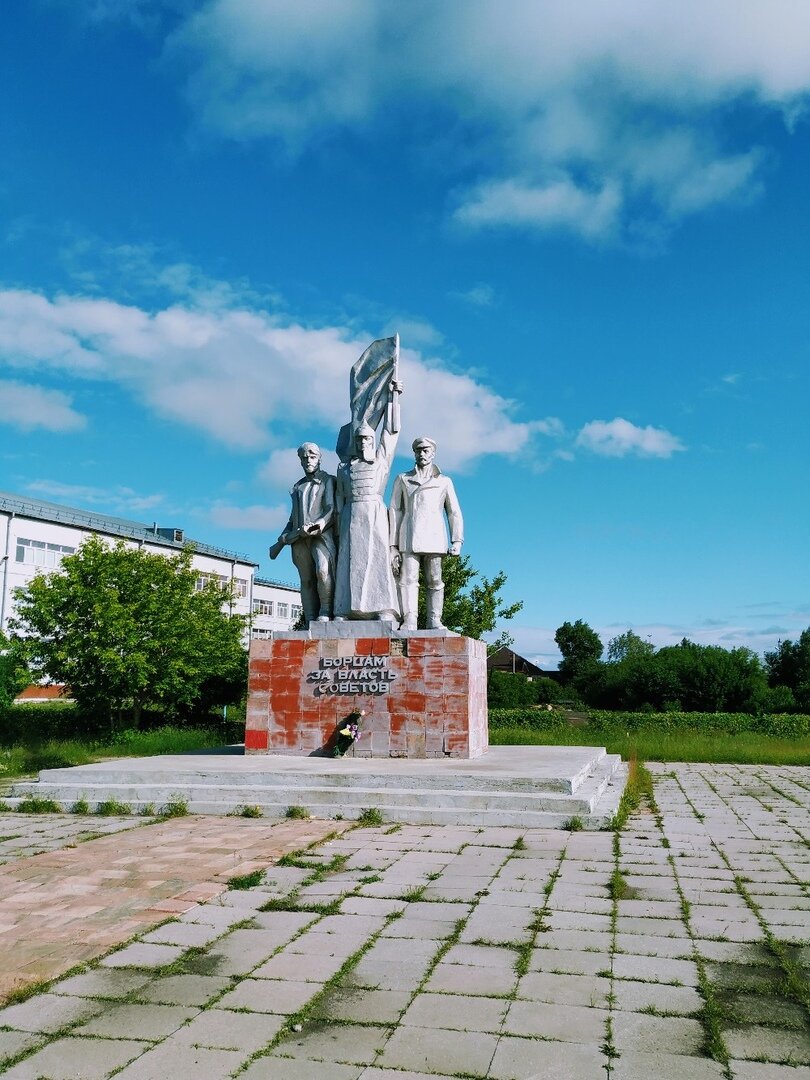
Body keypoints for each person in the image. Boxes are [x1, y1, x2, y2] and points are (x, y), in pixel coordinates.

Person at [333, 381, 403, 621]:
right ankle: (343, 609)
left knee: (378, 560)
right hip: (351, 514)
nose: (364, 443)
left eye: (367, 439)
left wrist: (394, 398)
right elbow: (340, 498)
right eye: (360, 440)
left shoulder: (381, 462)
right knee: (349, 561)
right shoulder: (345, 468)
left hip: (374, 512)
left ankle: (383, 608)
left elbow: (391, 433)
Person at [389, 436, 463, 630]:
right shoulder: (403, 478)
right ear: (414, 453)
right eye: (418, 450)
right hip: (408, 536)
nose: (422, 453)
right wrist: (392, 545)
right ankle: (410, 618)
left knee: (435, 580)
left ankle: (434, 619)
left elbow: (453, 512)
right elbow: (395, 511)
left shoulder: (444, 481)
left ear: (433, 453)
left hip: (434, 536)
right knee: (407, 579)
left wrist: (457, 540)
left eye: (426, 450)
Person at [269, 442, 336, 625]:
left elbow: (331, 508)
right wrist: (283, 538)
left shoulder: (328, 480)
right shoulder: (297, 486)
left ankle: (326, 610)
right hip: (298, 539)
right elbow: (292, 519)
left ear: (319, 458)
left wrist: (319, 524)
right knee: (306, 580)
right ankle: (310, 618)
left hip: (320, 536)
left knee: (323, 572)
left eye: (312, 456)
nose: (308, 460)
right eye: (304, 457)